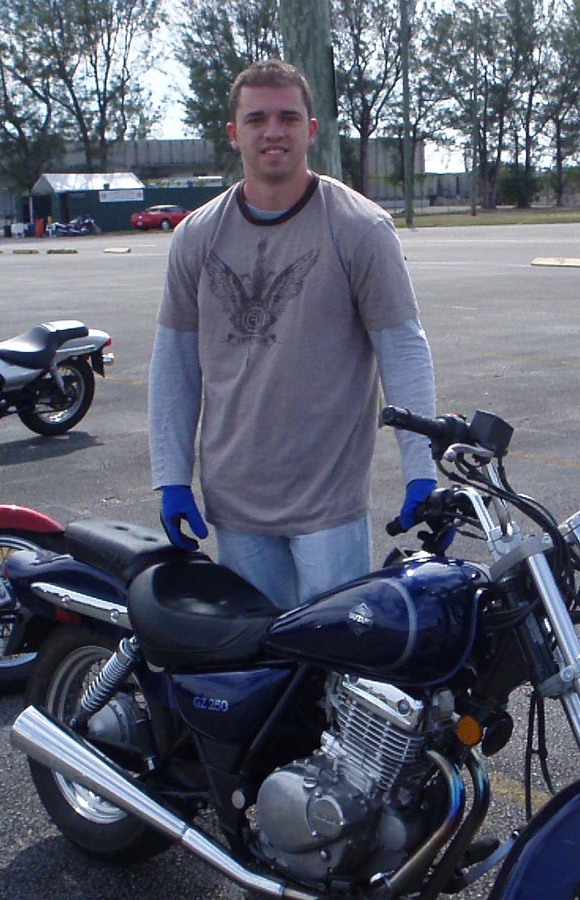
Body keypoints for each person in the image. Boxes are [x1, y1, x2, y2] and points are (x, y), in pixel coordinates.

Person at [148, 59, 439, 610]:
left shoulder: (358, 228)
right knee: (259, 651)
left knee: (335, 652)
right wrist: (172, 478)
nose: (273, 132)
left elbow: (401, 348)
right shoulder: (197, 236)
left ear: (312, 129)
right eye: (256, 119)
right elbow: (174, 364)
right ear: (234, 133)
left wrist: (420, 471)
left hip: (328, 503)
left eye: (288, 117)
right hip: (236, 503)